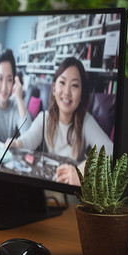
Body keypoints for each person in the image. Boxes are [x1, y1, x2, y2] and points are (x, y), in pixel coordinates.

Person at [9, 57, 113, 185]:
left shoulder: (86, 121)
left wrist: (82, 172)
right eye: (62, 83)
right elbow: (27, 140)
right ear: (54, 88)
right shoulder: (45, 118)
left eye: (74, 85)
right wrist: (15, 144)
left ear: (82, 94)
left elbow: (109, 149)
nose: (67, 92)